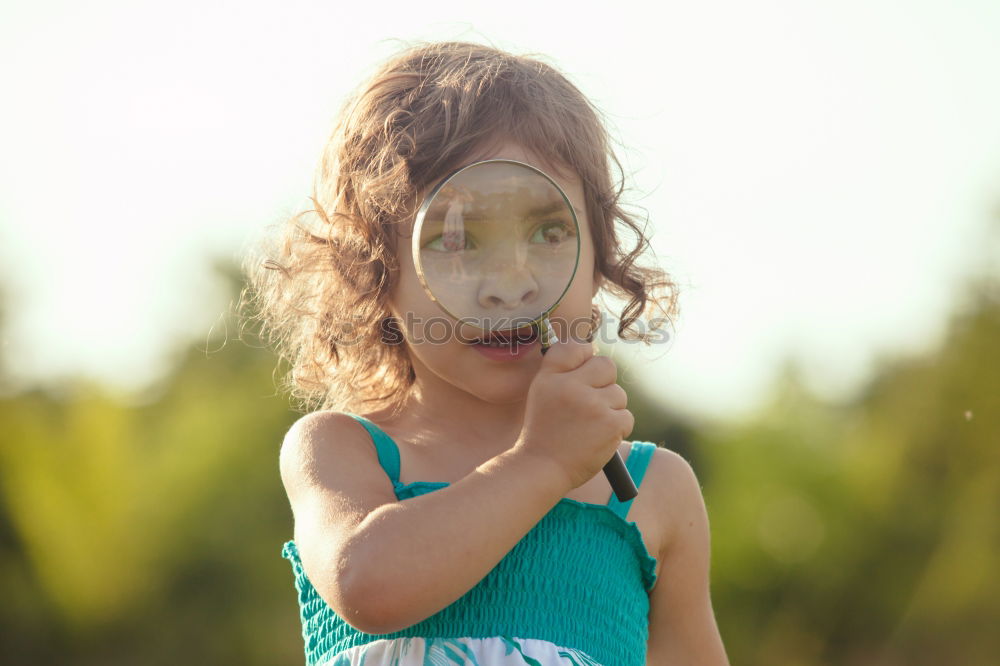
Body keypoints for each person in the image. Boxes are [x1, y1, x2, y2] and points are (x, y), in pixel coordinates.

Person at [242, 40, 729, 665]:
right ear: (374, 274)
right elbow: (369, 584)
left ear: (600, 254)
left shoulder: (652, 489)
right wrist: (543, 461)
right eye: (457, 239)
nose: (510, 282)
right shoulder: (341, 449)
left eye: (549, 231)